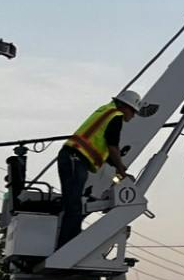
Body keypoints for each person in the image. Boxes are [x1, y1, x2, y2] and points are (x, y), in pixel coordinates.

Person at [56, 90, 155, 246]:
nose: (133, 116)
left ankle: (66, 242)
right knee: (74, 204)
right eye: (133, 111)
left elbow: (105, 148)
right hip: (75, 159)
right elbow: (112, 146)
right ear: (125, 107)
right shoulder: (116, 116)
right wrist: (121, 170)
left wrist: (116, 165)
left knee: (72, 203)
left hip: (72, 157)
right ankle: (67, 245)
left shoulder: (105, 111)